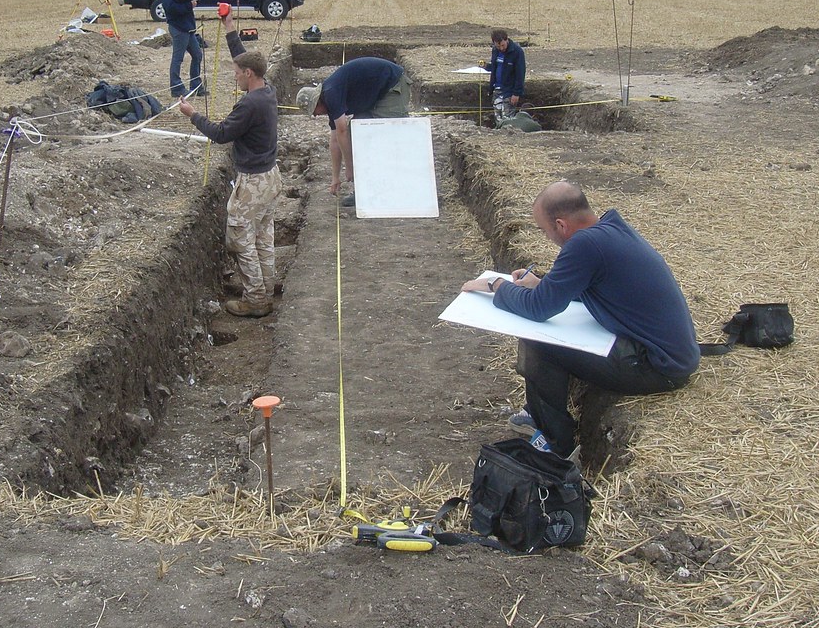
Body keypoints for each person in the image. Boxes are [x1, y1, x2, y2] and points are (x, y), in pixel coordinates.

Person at [462, 181, 699, 458]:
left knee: (539, 339)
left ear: (561, 225)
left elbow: (538, 309)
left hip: (658, 368)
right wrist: (541, 283)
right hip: (668, 357)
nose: (546, 236)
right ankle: (539, 416)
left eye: (544, 230)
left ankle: (555, 444)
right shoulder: (609, 229)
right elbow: (584, 283)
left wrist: (495, 286)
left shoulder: (584, 245)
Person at [179, 12, 280, 318]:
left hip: (252, 184)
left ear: (249, 74)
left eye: (237, 72)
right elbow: (243, 57)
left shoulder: (249, 104)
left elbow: (221, 134)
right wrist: (229, 28)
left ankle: (256, 301)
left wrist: (193, 115)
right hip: (271, 178)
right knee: (263, 236)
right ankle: (267, 286)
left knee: (240, 241)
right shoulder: (266, 89)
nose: (233, 75)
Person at [296, 56, 410, 208]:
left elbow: (342, 130)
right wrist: (335, 177)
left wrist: (349, 166)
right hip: (377, 93)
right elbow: (336, 139)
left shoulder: (331, 93)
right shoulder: (329, 99)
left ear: (317, 101)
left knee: (386, 137)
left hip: (392, 86)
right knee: (357, 132)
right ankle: (365, 189)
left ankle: (403, 187)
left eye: (313, 111)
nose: (315, 115)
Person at [163, 0, 204, 97]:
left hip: (188, 28)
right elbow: (170, 9)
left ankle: (196, 86)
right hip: (178, 28)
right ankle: (176, 88)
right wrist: (189, 6)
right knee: (178, 58)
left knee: (197, 55)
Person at [488, 28, 525, 122]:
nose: (501, 48)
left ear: (506, 39)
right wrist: (485, 66)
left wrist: (516, 93)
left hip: (509, 91)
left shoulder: (517, 52)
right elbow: (495, 67)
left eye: (503, 45)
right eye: (498, 46)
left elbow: (520, 74)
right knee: (498, 118)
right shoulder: (495, 51)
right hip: (497, 89)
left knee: (507, 119)